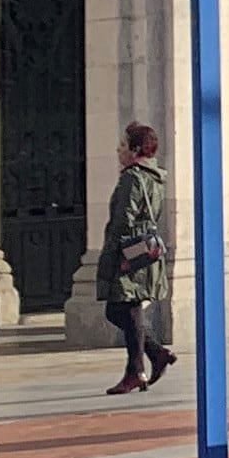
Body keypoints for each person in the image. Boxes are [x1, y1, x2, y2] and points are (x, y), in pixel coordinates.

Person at [98, 120, 173, 394]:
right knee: (124, 310)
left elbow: (124, 220)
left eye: (122, 145)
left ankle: (137, 369)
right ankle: (152, 357)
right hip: (144, 252)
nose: (118, 150)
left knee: (123, 308)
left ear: (135, 149)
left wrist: (113, 255)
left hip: (129, 254)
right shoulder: (155, 177)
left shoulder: (132, 178)